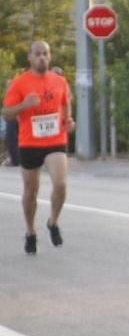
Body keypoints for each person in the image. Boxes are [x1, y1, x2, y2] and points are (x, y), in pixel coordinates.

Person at [1, 41, 75, 254]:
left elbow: (65, 102)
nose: (42, 57)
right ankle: (30, 231)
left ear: (49, 57)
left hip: (55, 140)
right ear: (30, 57)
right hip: (30, 142)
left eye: (45, 53)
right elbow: (7, 113)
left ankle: (53, 222)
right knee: (31, 191)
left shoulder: (59, 81)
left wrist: (68, 119)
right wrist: (25, 105)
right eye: (37, 54)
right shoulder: (19, 83)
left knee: (60, 184)